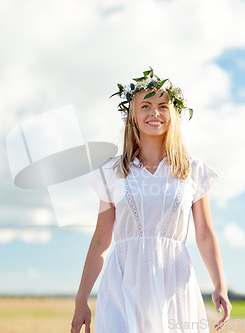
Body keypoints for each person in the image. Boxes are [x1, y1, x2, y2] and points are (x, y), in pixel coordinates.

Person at [71, 67, 232, 333]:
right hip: (122, 282)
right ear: (132, 116)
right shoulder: (113, 172)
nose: (154, 112)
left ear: (173, 115)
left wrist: (220, 285)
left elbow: (204, 234)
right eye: (145, 105)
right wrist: (81, 299)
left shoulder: (192, 171)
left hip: (174, 282)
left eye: (163, 106)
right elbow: (101, 238)